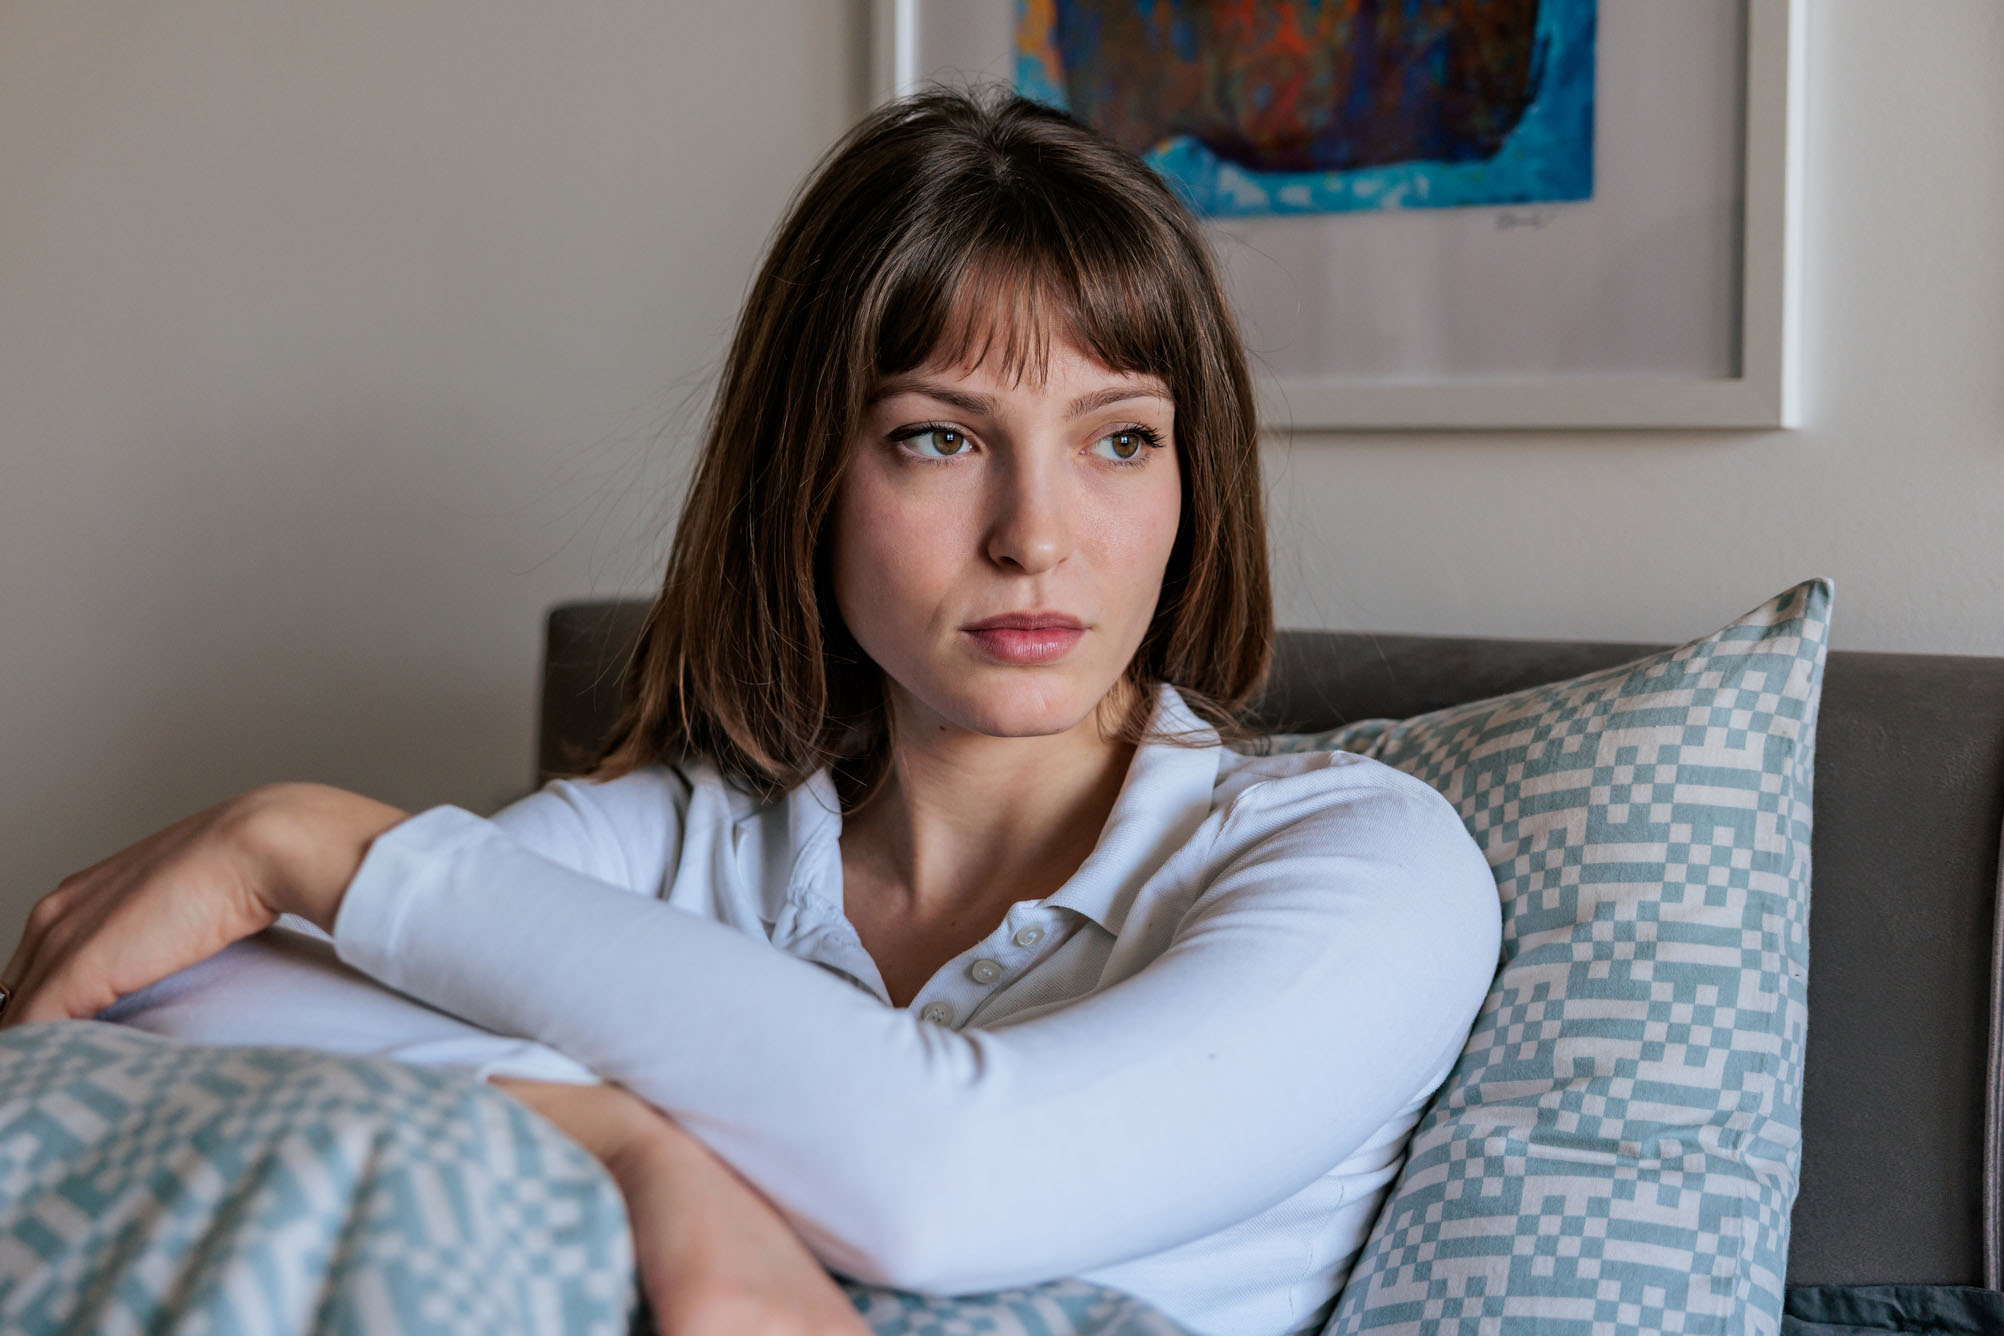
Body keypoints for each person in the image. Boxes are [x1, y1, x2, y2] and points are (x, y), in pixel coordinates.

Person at [0, 85, 1501, 1336]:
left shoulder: (1365, 863)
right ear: (812, 478)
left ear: (1193, 478)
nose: (1036, 534)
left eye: (1119, 440)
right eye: (936, 436)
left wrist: (307, 838)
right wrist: (645, 1155)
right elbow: (160, 1002)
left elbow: (948, 1179)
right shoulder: (680, 836)